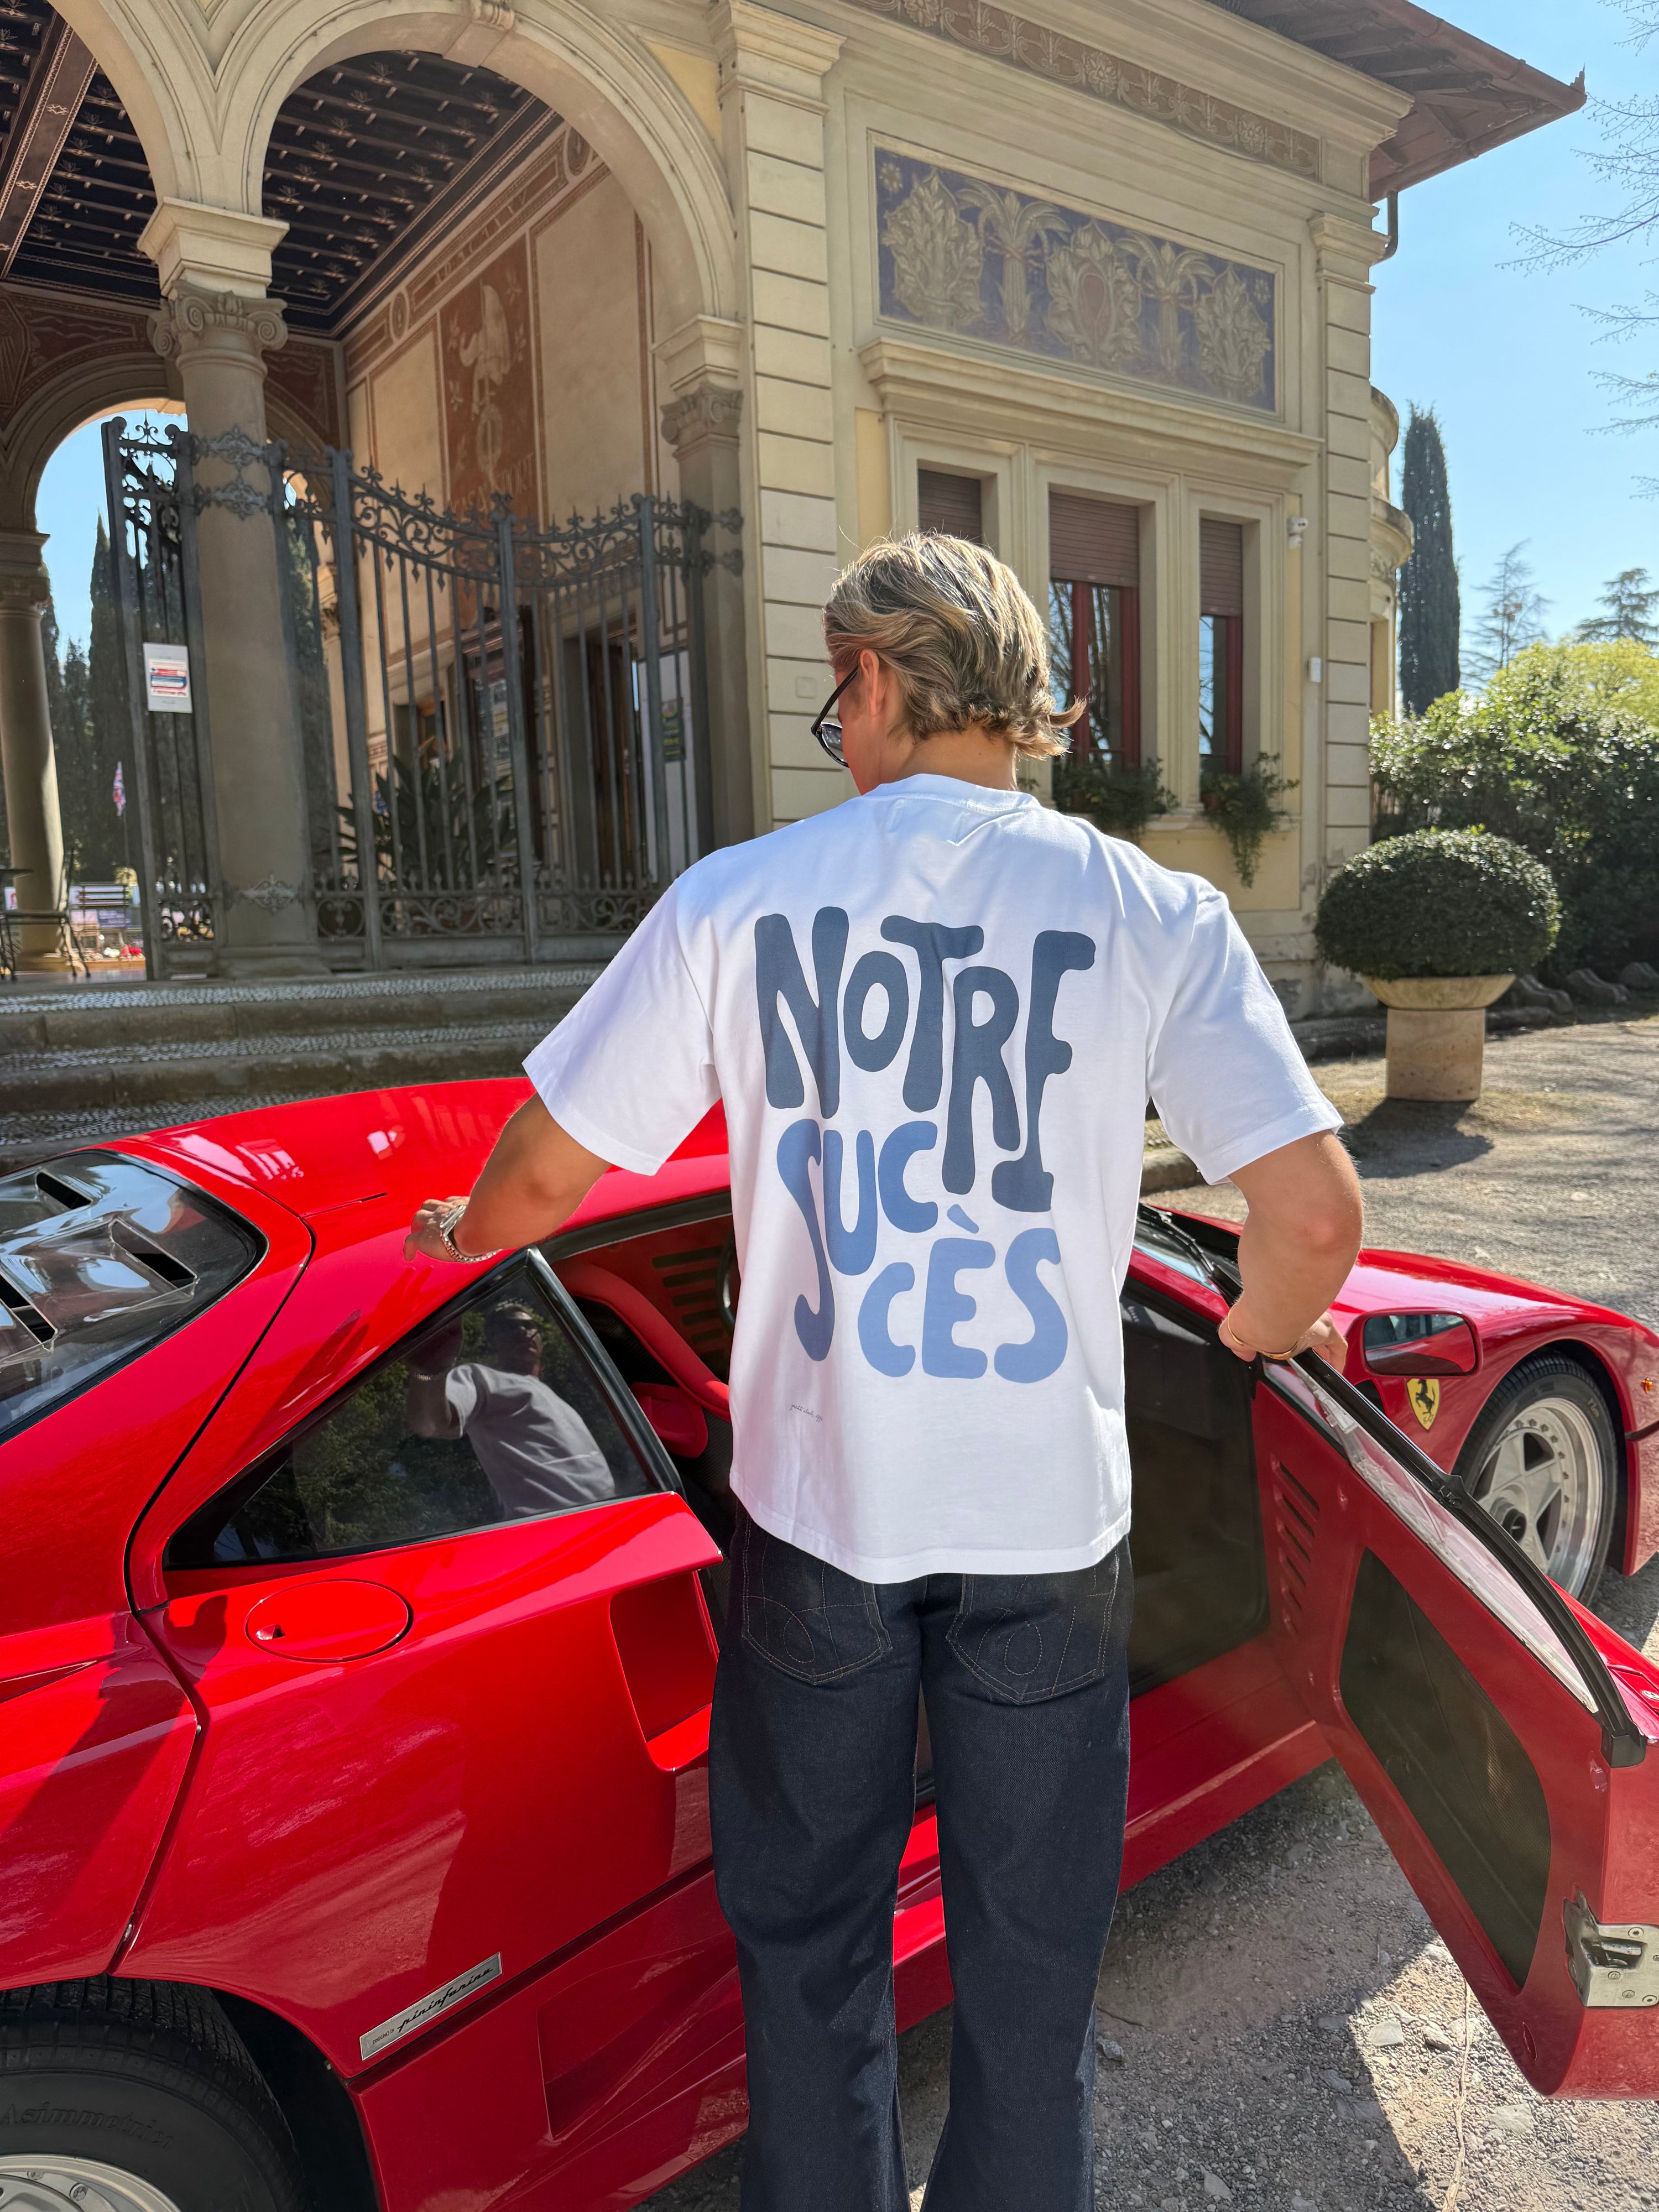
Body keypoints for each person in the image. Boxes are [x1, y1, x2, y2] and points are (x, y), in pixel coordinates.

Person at [404, 534, 1364, 2211]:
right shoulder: (1151, 911)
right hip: (1048, 1534)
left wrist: (456, 1234)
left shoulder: (739, 899)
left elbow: (545, 1177)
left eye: (831, 696)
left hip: (820, 1523)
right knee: (1031, 1970)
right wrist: (1256, 1333)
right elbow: (1311, 1217)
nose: (831, 730)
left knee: (811, 1951)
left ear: (873, 679)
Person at [404, 1300, 615, 1516]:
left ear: (540, 1339)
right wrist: (431, 1370)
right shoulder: (482, 1379)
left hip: (617, 1516)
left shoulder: (554, 1397)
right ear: (494, 1341)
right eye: (508, 1327)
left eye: (529, 1325)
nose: (522, 1331)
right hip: (559, 1526)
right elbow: (429, 1424)